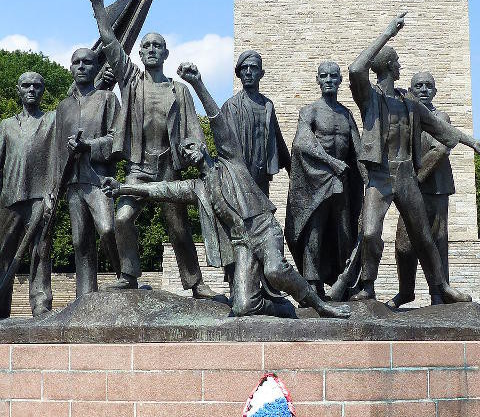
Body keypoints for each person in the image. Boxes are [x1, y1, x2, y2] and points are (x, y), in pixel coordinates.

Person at [105, 63, 351, 319]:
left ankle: (320, 306)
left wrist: (198, 84)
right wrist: (121, 187)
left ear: (203, 148)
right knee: (242, 306)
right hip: (243, 241)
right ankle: (278, 307)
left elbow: (217, 120)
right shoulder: (197, 187)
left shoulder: (231, 159)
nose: (190, 152)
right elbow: (159, 190)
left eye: (192, 146)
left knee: (275, 270)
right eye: (186, 152)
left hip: (264, 229)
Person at [344, 12, 480, 305]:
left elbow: (442, 129)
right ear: (389, 66)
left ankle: (441, 285)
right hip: (380, 175)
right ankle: (368, 285)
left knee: (424, 235)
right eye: (398, 63)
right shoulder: (370, 98)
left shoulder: (410, 103)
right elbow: (355, 68)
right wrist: (387, 33)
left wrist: (474, 143)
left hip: (405, 175)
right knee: (370, 232)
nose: (401, 67)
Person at [86, 0, 215, 298]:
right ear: (140, 54)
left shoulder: (179, 90)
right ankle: (129, 273)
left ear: (166, 53)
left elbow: (191, 130)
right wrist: (99, 6)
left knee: (178, 227)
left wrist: (197, 153)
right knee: (123, 218)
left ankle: (194, 282)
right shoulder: (131, 80)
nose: (153, 49)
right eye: (147, 46)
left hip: (169, 167)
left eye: (159, 45)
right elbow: (112, 43)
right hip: (139, 169)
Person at [284, 61, 364, 297]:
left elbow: (357, 149)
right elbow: (302, 143)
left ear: (340, 81)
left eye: (333, 76)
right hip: (316, 181)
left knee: (345, 230)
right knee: (314, 230)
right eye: (324, 76)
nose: (328, 80)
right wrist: (331, 162)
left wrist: (369, 178)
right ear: (318, 80)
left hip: (342, 181)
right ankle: (312, 283)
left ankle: (346, 280)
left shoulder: (345, 114)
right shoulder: (310, 111)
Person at [0, 72, 55, 317]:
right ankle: (0, 306)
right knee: (5, 252)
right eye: (26, 85)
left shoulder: (52, 120)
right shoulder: (6, 125)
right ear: (18, 89)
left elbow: (59, 160)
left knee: (41, 250)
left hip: (41, 196)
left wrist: (52, 191)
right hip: (11, 196)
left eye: (36, 86)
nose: (31, 89)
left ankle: (41, 304)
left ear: (43, 90)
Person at [51, 47, 119, 298]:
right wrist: (55, 184)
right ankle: (85, 295)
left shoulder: (107, 99)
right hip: (73, 181)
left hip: (99, 179)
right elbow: (57, 149)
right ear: (70, 68)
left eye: (87, 62)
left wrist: (88, 145)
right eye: (76, 62)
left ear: (96, 69)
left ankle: (126, 279)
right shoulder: (63, 107)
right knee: (80, 242)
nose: (81, 66)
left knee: (108, 229)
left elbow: (119, 140)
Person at [391, 72, 456, 306]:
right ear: (411, 90)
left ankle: (438, 294)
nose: (424, 89)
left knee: (437, 241)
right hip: (410, 190)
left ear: (435, 91)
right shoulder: (406, 117)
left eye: (429, 86)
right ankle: (406, 291)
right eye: (418, 86)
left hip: (435, 189)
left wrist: (415, 179)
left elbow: (440, 149)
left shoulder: (441, 117)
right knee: (403, 244)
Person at [220, 50, 290, 196]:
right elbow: (224, 145)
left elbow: (277, 137)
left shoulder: (268, 105)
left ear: (261, 73)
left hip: (262, 173)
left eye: (253, 68)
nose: (248, 72)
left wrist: (292, 169)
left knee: (264, 215)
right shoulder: (231, 106)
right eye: (244, 68)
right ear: (238, 73)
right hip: (240, 173)